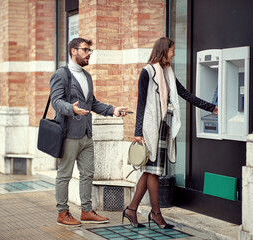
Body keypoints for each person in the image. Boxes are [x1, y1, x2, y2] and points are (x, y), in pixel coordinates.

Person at [122, 37, 218, 229]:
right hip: (151, 128)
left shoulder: (168, 72)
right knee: (154, 172)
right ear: (164, 50)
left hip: (164, 126)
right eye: (172, 50)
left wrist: (211, 107)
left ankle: (132, 209)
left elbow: (184, 93)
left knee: (151, 171)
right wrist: (138, 132)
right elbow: (141, 103)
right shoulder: (147, 72)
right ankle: (156, 213)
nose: (174, 53)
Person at [50, 37, 129, 227]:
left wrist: (112, 110)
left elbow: (92, 103)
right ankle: (62, 212)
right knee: (64, 175)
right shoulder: (61, 75)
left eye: (90, 51)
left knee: (87, 174)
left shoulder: (86, 76)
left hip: (86, 134)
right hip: (68, 134)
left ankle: (86, 211)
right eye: (85, 50)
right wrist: (71, 109)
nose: (89, 54)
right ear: (73, 51)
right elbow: (56, 101)